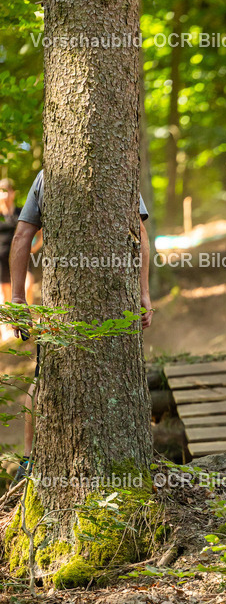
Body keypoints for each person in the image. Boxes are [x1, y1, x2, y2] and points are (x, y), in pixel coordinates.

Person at [9, 169, 153, 481]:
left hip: (61, 305)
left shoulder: (50, 174)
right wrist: (144, 293)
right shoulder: (122, 168)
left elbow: (22, 236)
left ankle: (29, 460)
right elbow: (140, 236)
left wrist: (18, 299)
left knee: (45, 373)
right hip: (117, 303)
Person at [0, 179, 21, 306]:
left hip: (18, 256)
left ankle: (24, 321)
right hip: (1, 258)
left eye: (8, 191)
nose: (6, 195)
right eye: (2, 192)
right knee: (4, 295)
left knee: (27, 286)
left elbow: (37, 232)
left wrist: (35, 246)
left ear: (13, 193)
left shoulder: (20, 212)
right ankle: (5, 325)